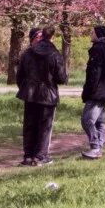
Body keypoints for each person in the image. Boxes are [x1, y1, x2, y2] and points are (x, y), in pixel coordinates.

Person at [16, 25, 67, 166]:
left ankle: (28, 156)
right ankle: (41, 156)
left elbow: (19, 75)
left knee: (29, 125)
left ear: (42, 36)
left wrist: (26, 88)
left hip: (30, 94)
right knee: (45, 126)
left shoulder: (27, 53)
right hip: (48, 95)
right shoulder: (55, 54)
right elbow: (61, 78)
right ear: (52, 36)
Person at [81, 24, 105, 159]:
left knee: (87, 120)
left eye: (92, 32)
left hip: (97, 91)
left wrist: (88, 91)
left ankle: (95, 146)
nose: (91, 34)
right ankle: (99, 147)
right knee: (100, 122)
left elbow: (94, 73)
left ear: (98, 35)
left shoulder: (97, 50)